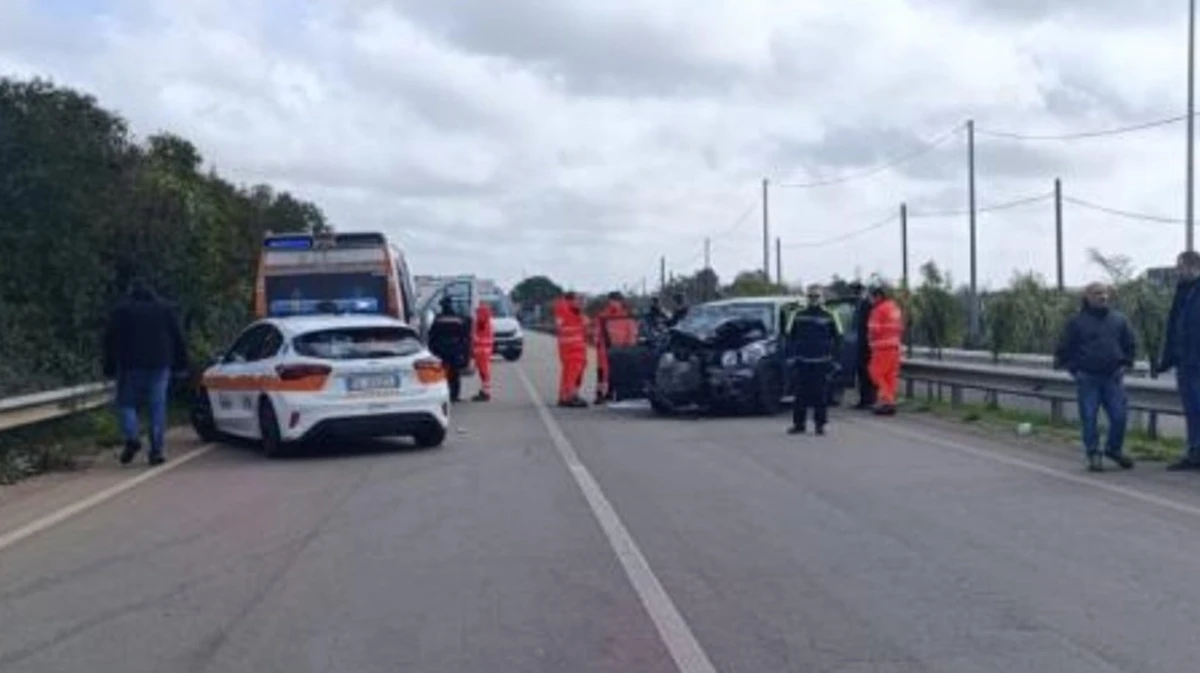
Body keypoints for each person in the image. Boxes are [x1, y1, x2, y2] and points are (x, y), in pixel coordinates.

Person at [102, 277, 188, 466]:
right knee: (157, 406)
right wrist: (182, 365)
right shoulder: (164, 310)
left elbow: (110, 340)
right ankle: (156, 450)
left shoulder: (122, 311)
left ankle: (132, 437)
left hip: (131, 365)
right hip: (160, 365)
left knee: (126, 404)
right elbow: (178, 337)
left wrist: (109, 366)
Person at [1053, 282, 1136, 472]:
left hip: (1113, 377)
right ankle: (1093, 454)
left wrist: (1126, 363)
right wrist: (1075, 371)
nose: (1103, 296)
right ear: (1087, 297)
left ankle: (1113, 449)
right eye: (1097, 293)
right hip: (1088, 378)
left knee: (1119, 416)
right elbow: (1064, 350)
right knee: (1089, 418)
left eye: (1105, 293)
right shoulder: (1076, 322)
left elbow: (1129, 343)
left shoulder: (1119, 320)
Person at [1159, 250, 1200, 470]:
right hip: (1186, 361)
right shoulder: (1184, 291)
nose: (1178, 271)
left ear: (1192, 266)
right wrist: (1167, 358)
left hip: (1196, 360)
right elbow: (1175, 327)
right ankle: (1194, 451)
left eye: (1180, 267)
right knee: (1192, 409)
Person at [786, 284, 843, 436]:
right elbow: (789, 338)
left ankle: (820, 424)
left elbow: (838, 338)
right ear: (807, 298)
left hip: (822, 361)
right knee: (800, 395)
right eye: (810, 296)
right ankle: (799, 424)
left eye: (816, 296)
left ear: (821, 298)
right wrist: (791, 358)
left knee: (820, 395)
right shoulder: (797, 314)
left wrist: (835, 360)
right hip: (802, 361)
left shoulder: (831, 315)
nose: (813, 299)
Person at [593, 292, 638, 404]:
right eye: (611, 301)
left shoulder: (626, 315)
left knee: (616, 372)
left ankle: (611, 393)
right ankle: (601, 395)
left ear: (620, 301)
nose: (613, 303)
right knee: (602, 372)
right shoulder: (603, 315)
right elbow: (597, 331)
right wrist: (597, 342)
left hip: (620, 349)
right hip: (605, 348)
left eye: (615, 301)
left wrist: (630, 346)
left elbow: (631, 332)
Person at [867, 283, 903, 415]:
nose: (871, 300)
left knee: (875, 373)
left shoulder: (878, 310)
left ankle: (887, 401)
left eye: (872, 297)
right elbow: (900, 327)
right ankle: (887, 402)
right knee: (890, 377)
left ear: (878, 296)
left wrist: (869, 341)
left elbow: (874, 330)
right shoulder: (894, 308)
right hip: (895, 347)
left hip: (881, 347)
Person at [427, 296, 470, 402]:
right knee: (455, 374)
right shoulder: (459, 318)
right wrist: (464, 352)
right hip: (455, 350)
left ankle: (442, 395)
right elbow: (465, 336)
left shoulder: (438, 319)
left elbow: (432, 336)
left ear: (442, 306)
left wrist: (431, 350)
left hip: (441, 350)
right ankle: (454, 396)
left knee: (441, 374)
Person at [555, 291, 589, 407]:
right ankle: (568, 397)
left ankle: (568, 395)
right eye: (578, 300)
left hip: (572, 349)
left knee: (570, 374)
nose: (580, 303)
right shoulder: (569, 312)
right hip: (573, 349)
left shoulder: (565, 311)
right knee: (571, 374)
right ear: (571, 301)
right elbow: (580, 322)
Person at [850, 281, 877, 410]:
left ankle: (870, 400)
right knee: (861, 373)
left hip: (868, 345)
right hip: (860, 344)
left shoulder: (868, 305)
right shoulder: (859, 304)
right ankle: (864, 400)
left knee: (868, 374)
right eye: (855, 291)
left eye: (857, 291)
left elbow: (870, 325)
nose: (855, 293)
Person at [471, 302, 494, 402]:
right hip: (484, 350)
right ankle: (484, 391)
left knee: (484, 372)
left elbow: (477, 337)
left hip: (482, 351)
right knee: (483, 372)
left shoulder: (481, 323)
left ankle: (486, 393)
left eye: (478, 313)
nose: (477, 315)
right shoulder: (486, 322)